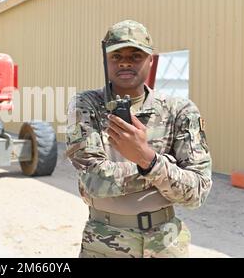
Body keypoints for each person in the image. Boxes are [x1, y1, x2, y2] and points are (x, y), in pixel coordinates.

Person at [66, 20, 213, 258]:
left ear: (150, 60)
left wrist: (149, 159)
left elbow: (197, 192)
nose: (125, 61)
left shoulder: (180, 111)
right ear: (105, 60)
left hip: (165, 244)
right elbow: (94, 182)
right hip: (103, 242)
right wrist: (163, 168)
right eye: (116, 56)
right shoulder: (87, 105)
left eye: (135, 55)